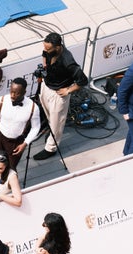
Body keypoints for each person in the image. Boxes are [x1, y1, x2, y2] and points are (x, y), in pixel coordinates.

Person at [33, 32, 88, 160]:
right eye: (45, 48)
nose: (45, 50)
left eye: (48, 48)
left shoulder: (67, 61)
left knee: (57, 122)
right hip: (46, 86)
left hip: (58, 94)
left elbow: (83, 80)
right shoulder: (48, 51)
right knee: (49, 116)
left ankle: (51, 148)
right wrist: (44, 67)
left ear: (58, 47)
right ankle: (51, 132)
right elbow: (44, 55)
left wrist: (68, 90)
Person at [0, 77, 40, 169]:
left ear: (24, 93)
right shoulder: (1, 101)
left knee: (10, 168)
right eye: (11, 91)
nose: (12, 95)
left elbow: (36, 127)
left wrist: (25, 143)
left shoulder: (33, 107)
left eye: (16, 93)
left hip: (16, 142)